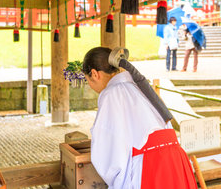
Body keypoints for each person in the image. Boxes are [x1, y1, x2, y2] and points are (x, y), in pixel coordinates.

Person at [83, 47, 197, 189]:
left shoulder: (111, 93)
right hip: (175, 159)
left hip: (152, 166)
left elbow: (109, 143)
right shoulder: (138, 87)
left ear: (94, 74)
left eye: (87, 80)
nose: (90, 85)